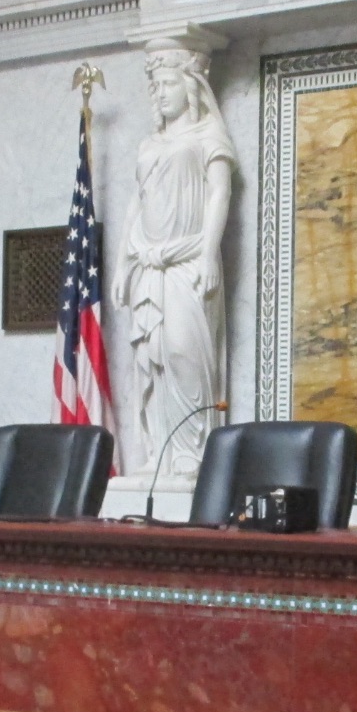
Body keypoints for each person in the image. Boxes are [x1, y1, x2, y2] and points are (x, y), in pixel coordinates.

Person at [116, 43, 234, 478]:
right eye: (155, 86)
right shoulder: (150, 143)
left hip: (186, 263)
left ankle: (193, 452)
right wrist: (121, 265)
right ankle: (159, 453)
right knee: (152, 356)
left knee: (186, 351)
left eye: (167, 83)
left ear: (189, 85)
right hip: (147, 264)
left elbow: (219, 194)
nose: (160, 93)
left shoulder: (208, 137)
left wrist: (207, 254)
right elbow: (137, 200)